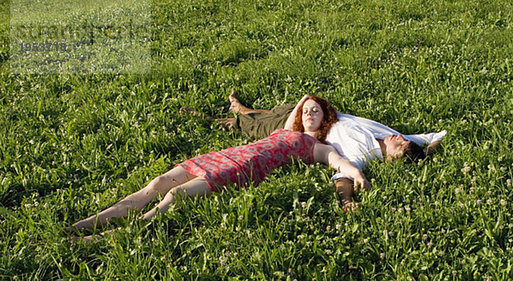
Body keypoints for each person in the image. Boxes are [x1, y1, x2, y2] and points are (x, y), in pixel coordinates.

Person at [70, 96, 369, 240]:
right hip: (225, 154)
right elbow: (303, 101)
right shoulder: (288, 128)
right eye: (306, 110)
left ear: (326, 117)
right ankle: (90, 222)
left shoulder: (315, 147)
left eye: (316, 111)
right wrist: (308, 102)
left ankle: (106, 237)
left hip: (242, 167)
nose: (308, 112)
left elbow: (338, 162)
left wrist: (355, 174)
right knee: (158, 182)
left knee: (174, 197)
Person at [181, 92, 447, 210]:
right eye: (402, 139)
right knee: (279, 112)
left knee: (259, 126)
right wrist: (425, 155)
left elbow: (342, 177)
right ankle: (243, 110)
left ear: (391, 157)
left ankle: (220, 119)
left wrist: (347, 201)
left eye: (398, 144)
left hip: (302, 132)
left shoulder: (362, 154)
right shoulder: (393, 136)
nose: (398, 137)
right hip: (318, 114)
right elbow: (434, 138)